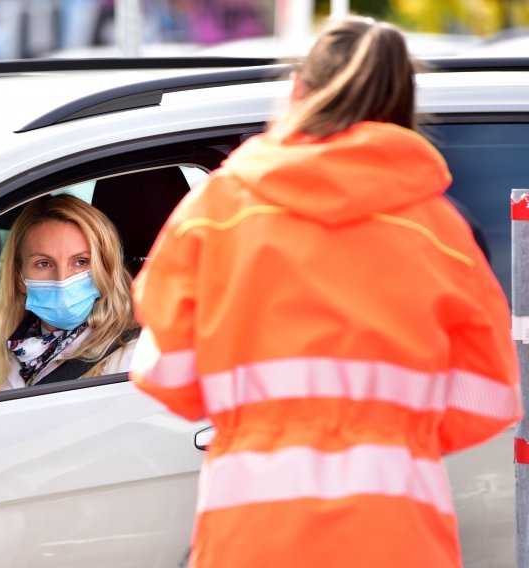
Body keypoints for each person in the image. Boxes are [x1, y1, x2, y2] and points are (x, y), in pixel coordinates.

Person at [129, 16, 521, 568]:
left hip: (252, 528)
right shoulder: (441, 230)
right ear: (402, 106)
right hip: (399, 531)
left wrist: (252, 417)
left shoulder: (215, 212)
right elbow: (490, 398)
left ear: (297, 92)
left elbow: (164, 371)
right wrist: (396, 436)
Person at [0, 193, 138, 391]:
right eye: (44, 263)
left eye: (80, 262)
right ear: (18, 278)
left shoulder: (131, 357)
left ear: (104, 272)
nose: (62, 279)